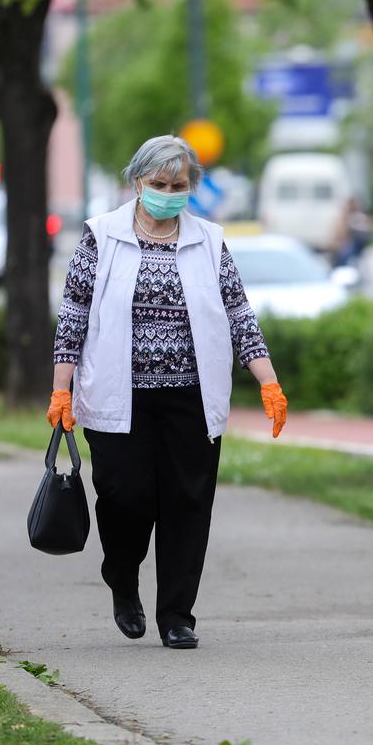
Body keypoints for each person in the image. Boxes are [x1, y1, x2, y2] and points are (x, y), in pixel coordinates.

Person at [46, 135, 288, 650]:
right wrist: (60, 391)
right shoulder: (101, 236)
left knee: (187, 504)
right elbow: (73, 314)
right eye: (158, 184)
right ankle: (122, 578)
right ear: (137, 181)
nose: (168, 193)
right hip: (119, 397)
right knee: (125, 498)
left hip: (191, 398)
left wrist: (268, 382)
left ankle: (178, 615)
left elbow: (239, 313)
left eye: (179, 185)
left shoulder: (209, 240)